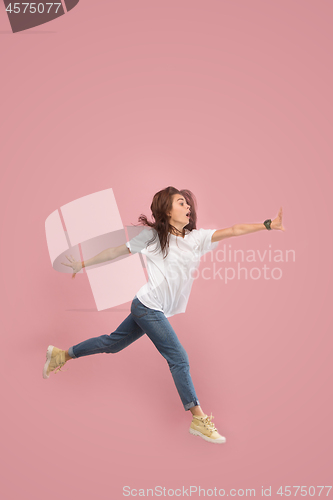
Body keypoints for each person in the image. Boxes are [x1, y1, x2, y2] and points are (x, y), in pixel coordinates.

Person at [43, 186, 285, 444]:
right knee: (179, 357)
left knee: (112, 344)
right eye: (181, 203)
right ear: (167, 210)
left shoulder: (196, 239)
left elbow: (234, 229)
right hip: (147, 306)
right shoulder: (152, 238)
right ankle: (198, 419)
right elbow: (116, 251)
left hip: (150, 307)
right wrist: (82, 264)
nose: (188, 207)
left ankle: (62, 354)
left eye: (188, 204)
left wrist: (267, 225)